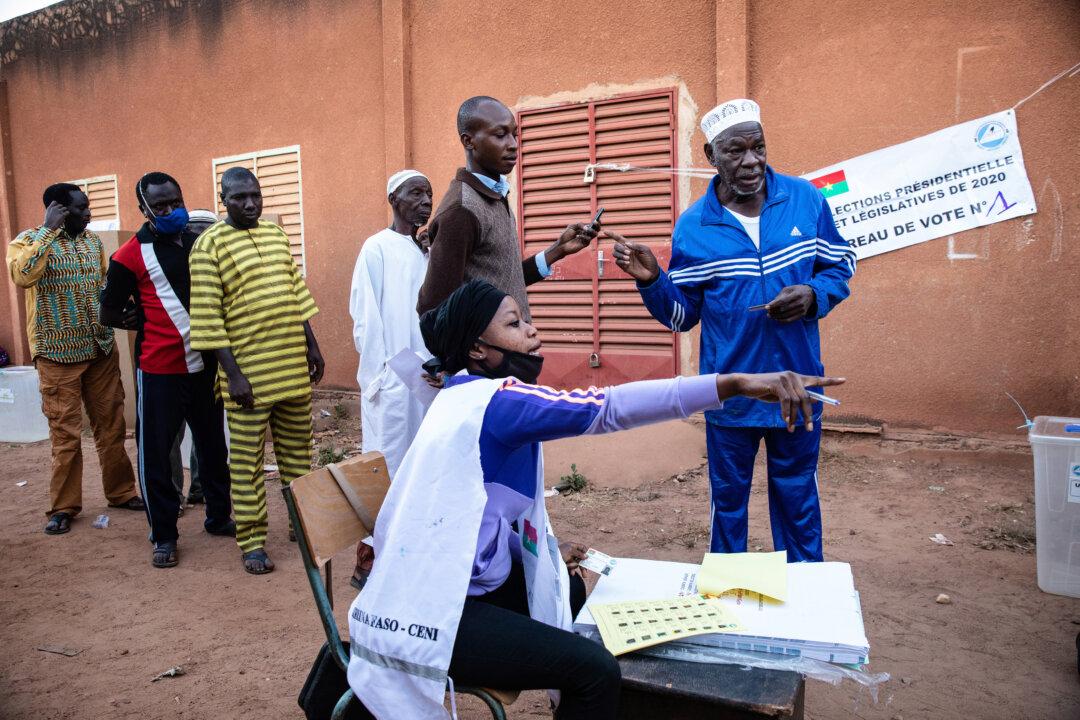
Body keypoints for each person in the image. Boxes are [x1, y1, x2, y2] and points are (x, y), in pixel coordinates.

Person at [346, 279, 842, 719]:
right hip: (436, 611)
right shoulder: (498, 403)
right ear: (478, 349)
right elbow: (607, 408)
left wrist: (533, 554)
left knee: (573, 594)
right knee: (594, 671)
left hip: (455, 585)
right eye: (516, 324)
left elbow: (468, 521)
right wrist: (733, 384)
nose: (532, 332)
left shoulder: (461, 395)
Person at [612, 99, 857, 562]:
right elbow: (683, 317)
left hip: (798, 385)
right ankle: (730, 598)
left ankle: (804, 593)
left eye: (759, 148)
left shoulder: (805, 199)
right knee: (728, 506)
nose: (751, 162)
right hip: (730, 393)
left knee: (798, 497)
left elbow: (840, 265)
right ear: (711, 156)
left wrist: (812, 294)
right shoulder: (694, 228)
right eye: (736, 151)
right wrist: (651, 282)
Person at [189, 167, 324, 575]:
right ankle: (251, 541)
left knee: (298, 456)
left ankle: (303, 528)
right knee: (246, 464)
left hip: (291, 370)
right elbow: (208, 318)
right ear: (223, 200)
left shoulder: (276, 234)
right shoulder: (208, 246)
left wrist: (312, 345)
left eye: (255, 196)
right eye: (239, 198)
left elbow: (295, 292)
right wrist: (233, 375)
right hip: (248, 378)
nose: (249, 204)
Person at [99, 176, 234, 567]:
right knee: (157, 452)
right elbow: (109, 310)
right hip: (158, 369)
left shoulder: (198, 243)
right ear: (144, 210)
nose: (171, 210)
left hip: (205, 365)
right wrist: (139, 319)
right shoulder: (128, 255)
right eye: (160, 206)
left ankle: (218, 516)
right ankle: (164, 535)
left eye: (176, 201)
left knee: (212, 445)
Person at [6, 183, 142, 535]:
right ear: (59, 210)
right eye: (81, 208)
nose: (89, 213)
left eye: (88, 207)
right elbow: (23, 276)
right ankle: (63, 507)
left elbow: (100, 284)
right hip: (56, 354)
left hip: (98, 347)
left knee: (111, 425)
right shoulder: (27, 241)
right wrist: (49, 230)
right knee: (64, 433)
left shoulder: (92, 241)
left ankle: (121, 491)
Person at [416, 95, 598, 320]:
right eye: (500, 135)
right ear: (468, 141)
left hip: (515, 349)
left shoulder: (495, 194)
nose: (513, 144)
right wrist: (479, 350)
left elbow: (503, 279)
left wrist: (557, 250)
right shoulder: (461, 211)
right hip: (492, 354)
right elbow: (433, 308)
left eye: (515, 134)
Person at [349, 170, 433, 477]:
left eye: (429, 195)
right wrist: (379, 376)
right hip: (391, 377)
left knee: (423, 459)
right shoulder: (376, 247)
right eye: (416, 193)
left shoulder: (426, 251)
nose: (425, 201)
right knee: (389, 459)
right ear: (393, 199)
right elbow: (366, 315)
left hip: (425, 375)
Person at [167, 208, 218, 507]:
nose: (198, 236)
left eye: (205, 229)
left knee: (206, 431)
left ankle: (202, 488)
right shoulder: (170, 265)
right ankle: (174, 492)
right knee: (172, 432)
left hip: (209, 360)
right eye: (193, 229)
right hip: (172, 362)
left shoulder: (216, 264)